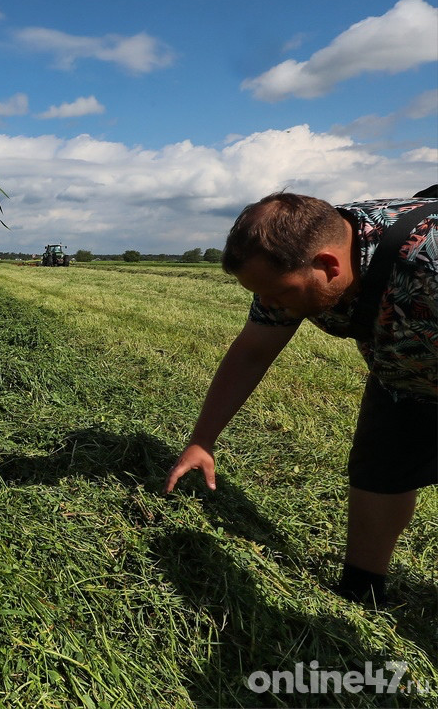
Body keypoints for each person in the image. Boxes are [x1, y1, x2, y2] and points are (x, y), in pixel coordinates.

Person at [164, 190, 437, 606]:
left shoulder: (427, 261)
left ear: (326, 264)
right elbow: (253, 351)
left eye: (279, 294)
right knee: (378, 470)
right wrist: (202, 439)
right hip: (401, 377)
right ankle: (360, 593)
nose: (270, 305)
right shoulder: (291, 268)